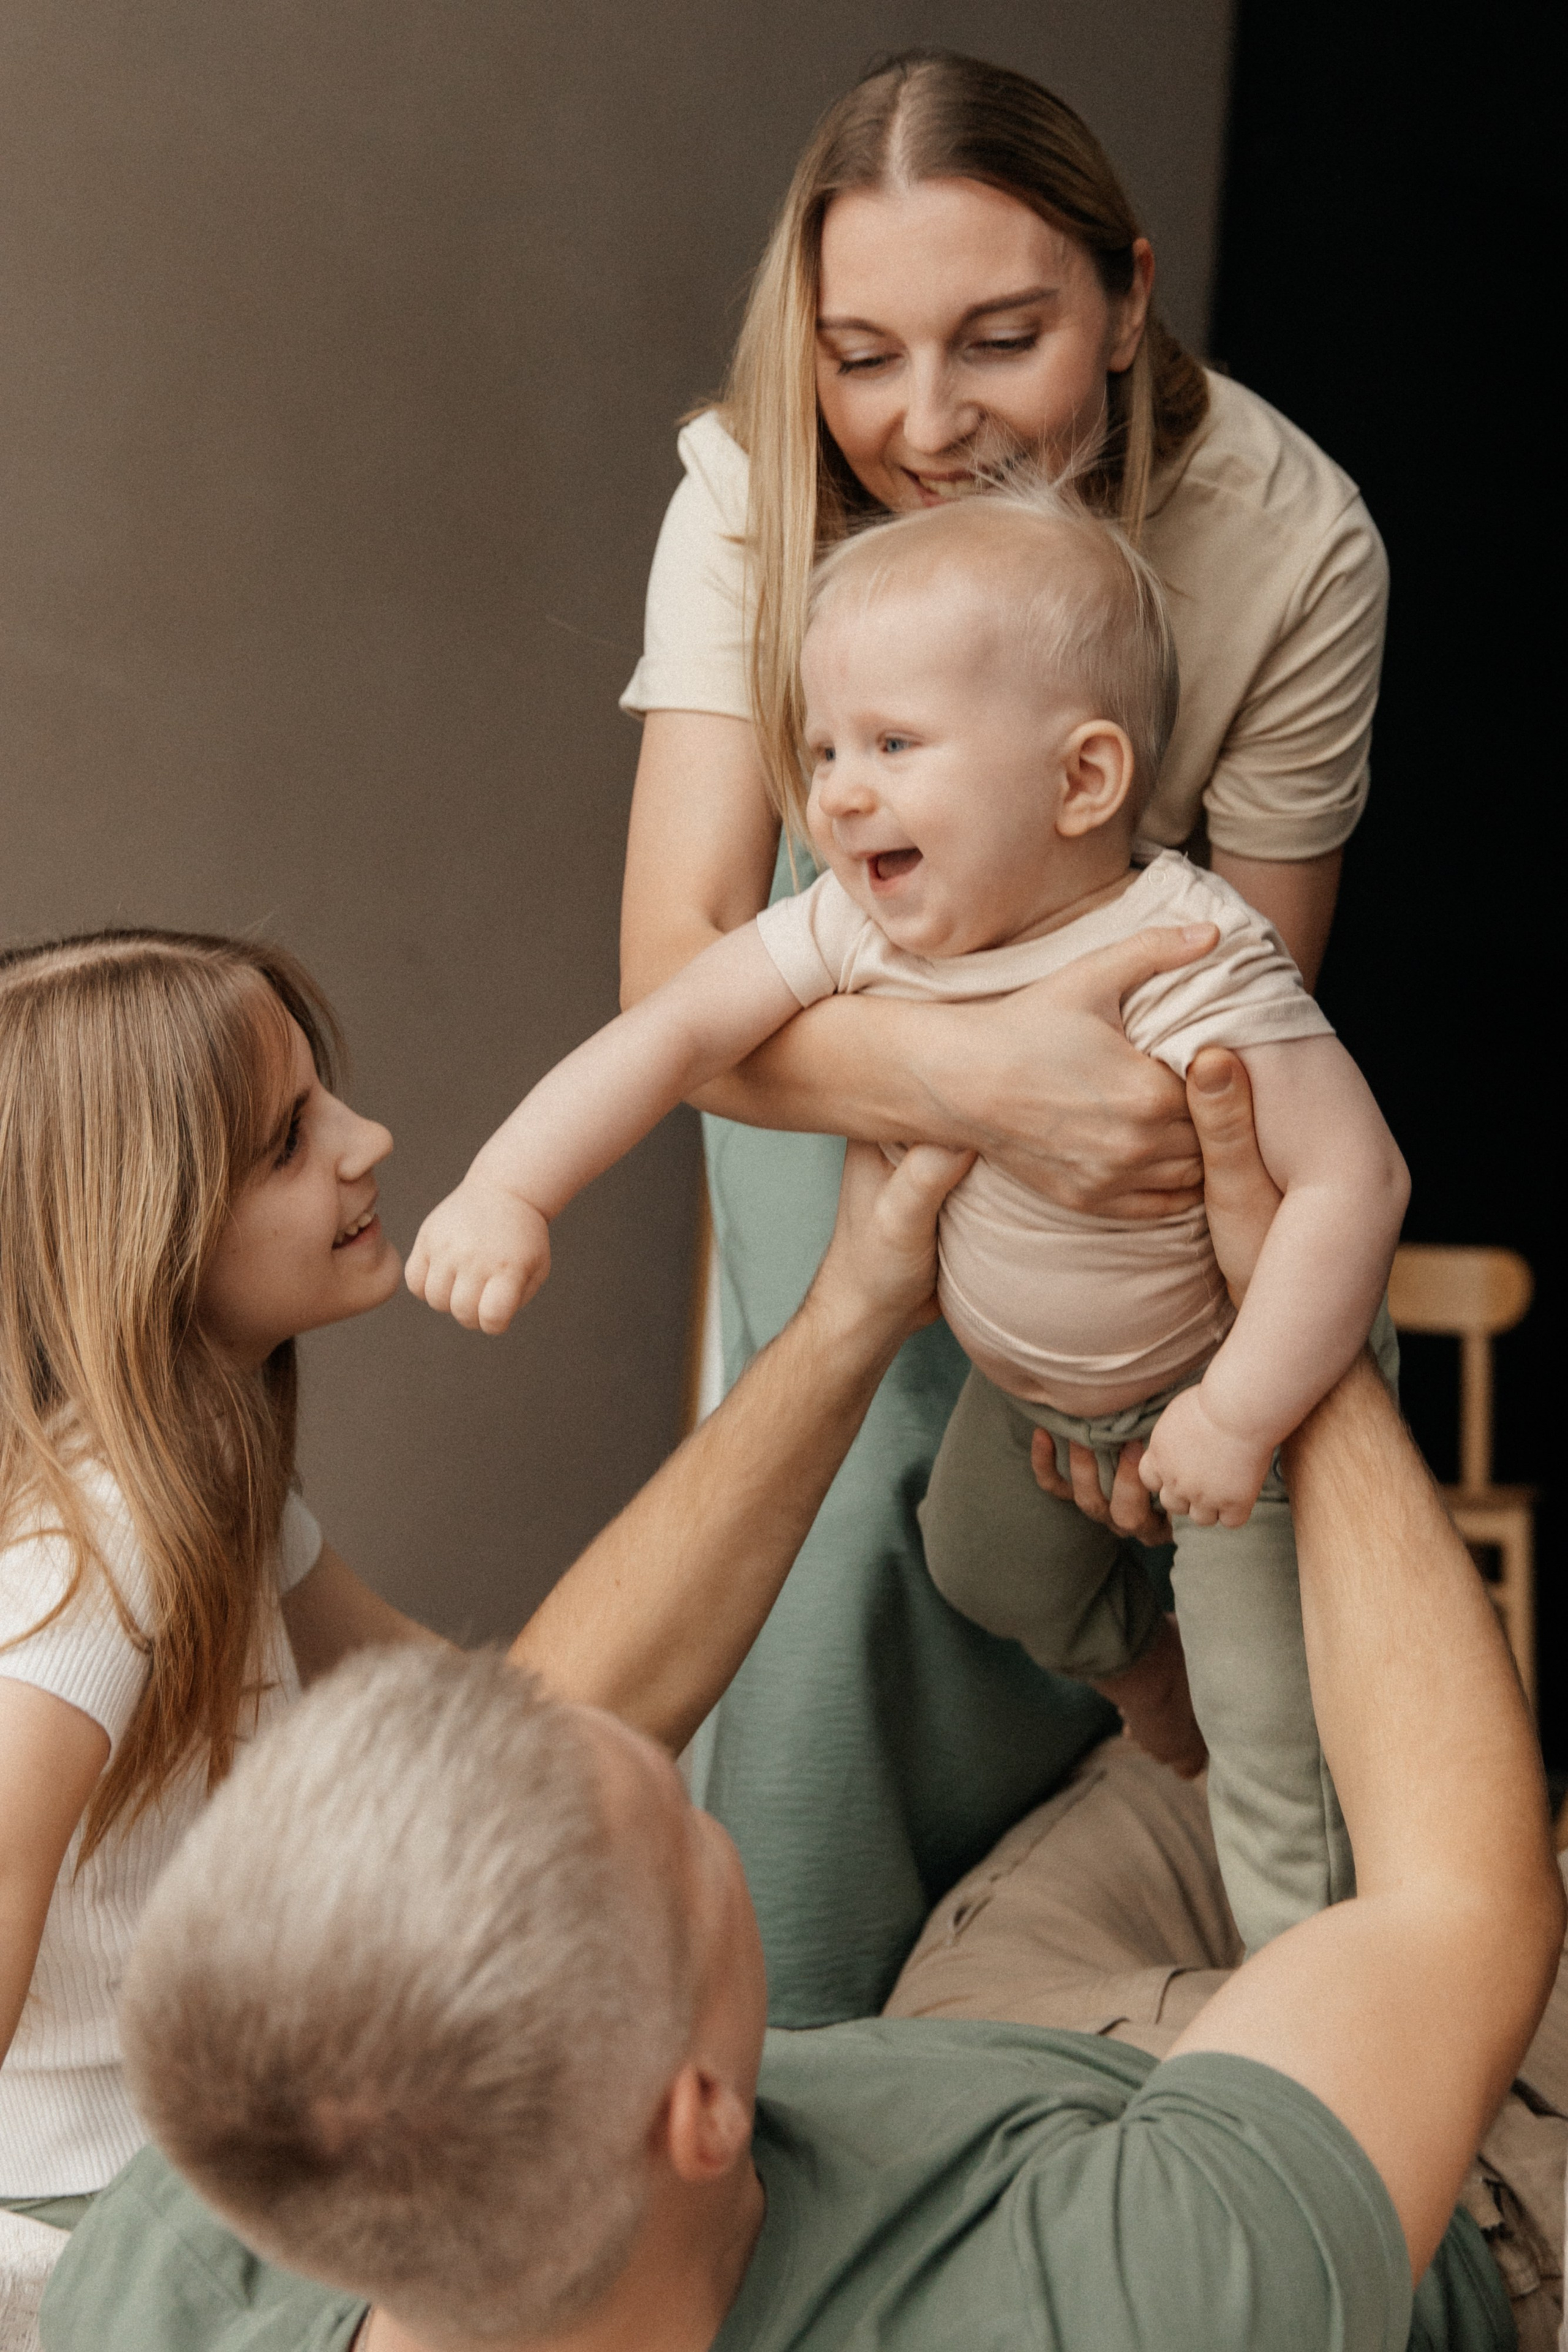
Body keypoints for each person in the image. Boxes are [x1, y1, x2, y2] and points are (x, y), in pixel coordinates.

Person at [36, 1054, 1565, 2352]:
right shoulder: (1125, 2290)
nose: (612, 1735)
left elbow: (551, 1755)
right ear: (694, 2108)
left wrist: (848, 1307)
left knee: (1205, 1759)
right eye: (685, 1839)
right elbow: (1453, 1902)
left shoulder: (188, 2241)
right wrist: (1286, 1299)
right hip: (1437, 2156)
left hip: (1000, 2034)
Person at [616, 47, 1392, 2019]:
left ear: (1130, 301)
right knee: (854, 1525)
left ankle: (1204, 1982)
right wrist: (961, 1083)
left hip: (1157, 1095)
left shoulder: (1293, 540)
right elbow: (679, 970)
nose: (924, 422)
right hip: (835, 1031)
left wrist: (1180, 1330)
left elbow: (1249, 1027)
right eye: (860, 353)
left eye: (1004, 337)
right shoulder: (750, 486)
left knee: (1206, 1524)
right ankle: (803, 2054)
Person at [409, 482, 1406, 1952]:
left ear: (1078, 783)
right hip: (1036, 1409)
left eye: (890, 745)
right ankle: (1147, 1678)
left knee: (1281, 1760)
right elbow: (672, 1033)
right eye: (820, 749)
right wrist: (512, 1182)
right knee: (977, 1560)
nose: (834, 793)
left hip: (1229, 1408)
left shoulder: (1184, 952)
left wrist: (1241, 1412)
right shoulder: (850, 920)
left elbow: (1354, 1184)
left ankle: (1307, 2019)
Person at [0, 931, 442, 2225]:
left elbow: (413, 1687)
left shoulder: (204, 1468)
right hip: (111, 2194)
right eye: (290, 1142)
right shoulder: (106, 1540)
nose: (368, 1143)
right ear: (152, 1231)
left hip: (210, 2150)